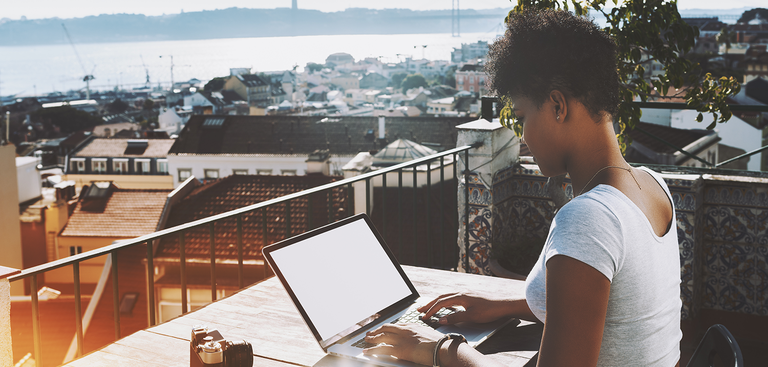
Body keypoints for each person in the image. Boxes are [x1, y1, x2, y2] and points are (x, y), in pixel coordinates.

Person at [362, 9, 681, 367]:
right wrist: (502, 307)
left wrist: (436, 347)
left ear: (558, 106)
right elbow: (615, 308)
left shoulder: (589, 218)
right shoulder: (654, 186)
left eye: (524, 115)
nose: (522, 134)